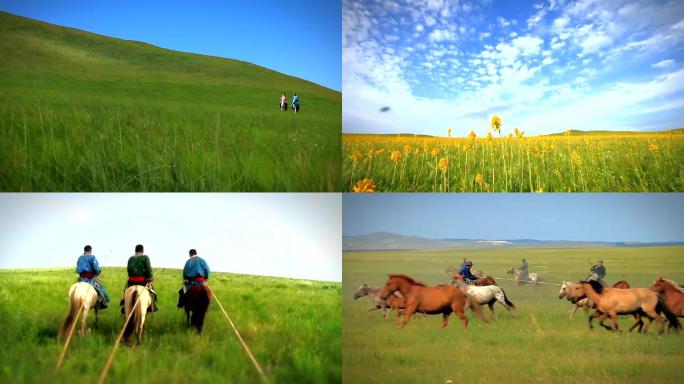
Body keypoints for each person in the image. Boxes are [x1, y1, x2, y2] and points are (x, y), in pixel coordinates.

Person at [120, 244, 158, 313]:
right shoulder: (145, 258)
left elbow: (129, 270)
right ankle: (153, 306)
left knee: (125, 292)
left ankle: (124, 305)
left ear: (135, 250)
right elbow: (148, 270)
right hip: (142, 282)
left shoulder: (130, 258)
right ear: (142, 250)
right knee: (152, 293)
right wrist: (150, 278)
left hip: (131, 282)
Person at [76, 245, 110, 309]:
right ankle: (103, 302)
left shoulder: (80, 258)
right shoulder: (92, 257)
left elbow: (78, 270)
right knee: (101, 288)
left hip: (81, 279)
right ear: (90, 250)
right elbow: (96, 268)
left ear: (84, 250)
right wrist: (97, 273)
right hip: (90, 279)